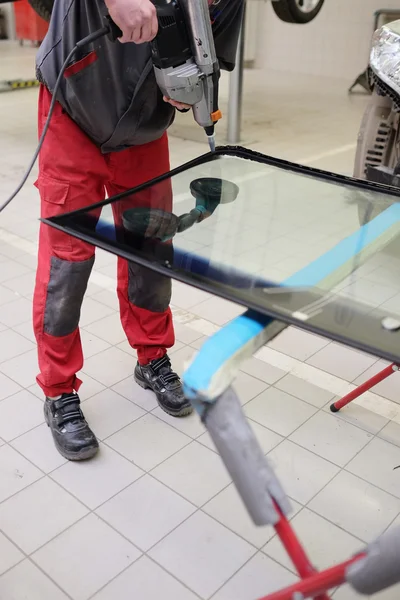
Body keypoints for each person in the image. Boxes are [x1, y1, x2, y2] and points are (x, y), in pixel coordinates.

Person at [34, 0, 244, 461]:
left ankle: (152, 358)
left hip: (145, 124)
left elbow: (209, 54)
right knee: (66, 263)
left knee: (151, 248)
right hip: (73, 104)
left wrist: (190, 87)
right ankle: (58, 390)